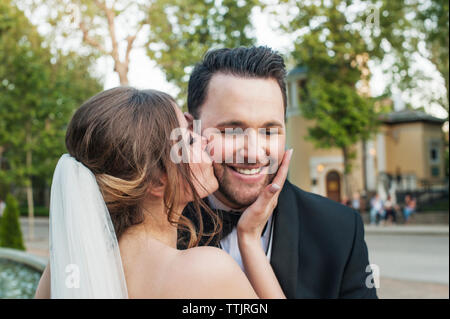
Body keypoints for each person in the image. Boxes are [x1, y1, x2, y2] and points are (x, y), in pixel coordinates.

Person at [34, 87, 292, 298]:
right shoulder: (206, 270)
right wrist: (249, 239)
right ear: (157, 181)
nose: (206, 140)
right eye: (189, 140)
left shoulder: (67, 266)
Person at [181, 46, 377, 298]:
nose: (253, 154)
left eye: (269, 131)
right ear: (190, 129)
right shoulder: (153, 228)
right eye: (231, 130)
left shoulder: (340, 230)